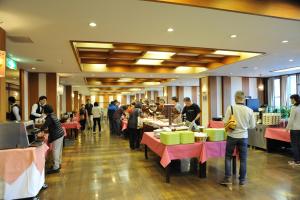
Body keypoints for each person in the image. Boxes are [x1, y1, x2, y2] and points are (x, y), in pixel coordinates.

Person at [220, 91, 256, 186]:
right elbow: (252, 126)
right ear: (244, 99)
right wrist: (244, 126)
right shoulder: (249, 110)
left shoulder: (230, 108)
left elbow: (224, 122)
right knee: (243, 159)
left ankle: (227, 178)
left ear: (235, 98)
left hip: (232, 135)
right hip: (244, 137)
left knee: (228, 157)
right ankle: (242, 180)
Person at [40, 105, 65, 174]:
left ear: (46, 111)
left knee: (55, 151)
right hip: (60, 134)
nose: (42, 111)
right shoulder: (53, 115)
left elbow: (44, 127)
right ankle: (58, 164)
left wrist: (39, 130)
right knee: (58, 150)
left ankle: (56, 167)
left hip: (57, 135)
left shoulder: (49, 117)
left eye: (43, 110)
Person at [286, 94, 300, 166]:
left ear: (294, 99)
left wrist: (287, 128)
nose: (290, 101)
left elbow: (291, 120)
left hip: (295, 129)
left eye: (291, 99)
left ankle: (296, 161)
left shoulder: (294, 107)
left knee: (294, 145)